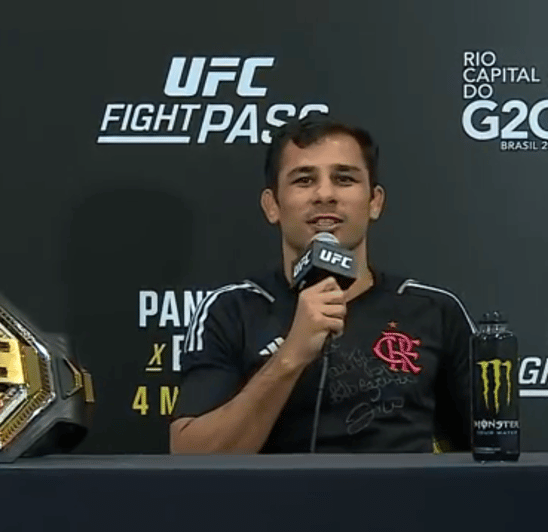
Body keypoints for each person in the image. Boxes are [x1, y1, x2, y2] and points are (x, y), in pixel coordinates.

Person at [169, 116, 475, 454]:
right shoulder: (233, 310)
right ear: (272, 205)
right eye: (304, 180)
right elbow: (190, 457)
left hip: (403, 491)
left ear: (374, 202)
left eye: (344, 179)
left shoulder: (434, 310)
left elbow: (495, 453)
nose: (325, 194)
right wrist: (291, 356)